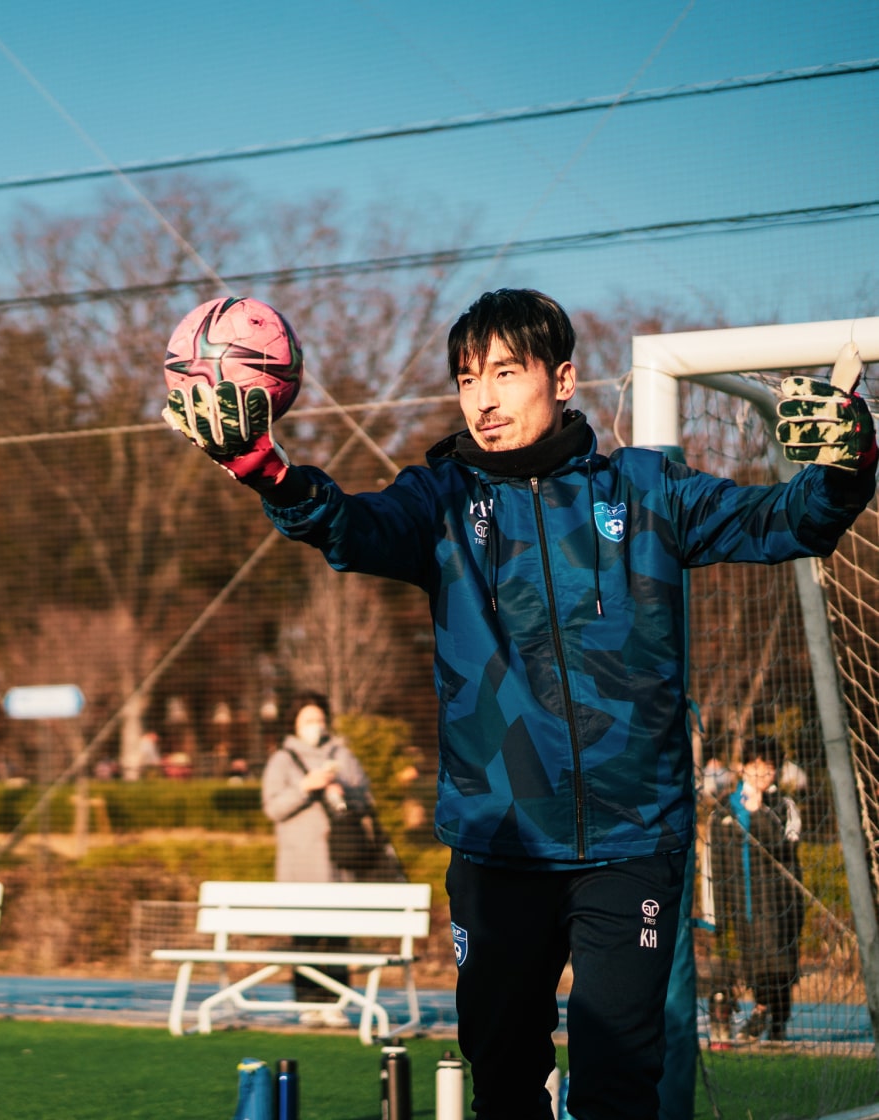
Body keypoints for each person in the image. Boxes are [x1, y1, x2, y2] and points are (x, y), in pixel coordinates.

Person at [163, 287, 876, 1119]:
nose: (485, 398)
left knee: (617, 1085)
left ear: (563, 377)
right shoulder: (437, 504)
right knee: (504, 1084)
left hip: (630, 844)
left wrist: (846, 467)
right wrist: (267, 471)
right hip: (499, 848)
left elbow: (787, 521)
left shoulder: (648, 491)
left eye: (506, 371)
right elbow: (346, 528)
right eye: (468, 378)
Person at [261, 692, 373, 1027]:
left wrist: (342, 791)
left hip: (339, 865)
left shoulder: (343, 755)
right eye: (308, 719)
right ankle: (308, 1002)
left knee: (339, 937)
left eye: (320, 719)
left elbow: (365, 799)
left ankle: (336, 1003)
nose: (315, 726)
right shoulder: (281, 760)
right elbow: (273, 808)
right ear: (295, 722)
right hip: (299, 868)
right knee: (305, 938)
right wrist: (306, 788)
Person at [709, 737, 806, 1043]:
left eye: (769, 769)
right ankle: (761, 1012)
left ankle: (772, 1018)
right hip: (744, 904)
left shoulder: (784, 805)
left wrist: (759, 812)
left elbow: (784, 845)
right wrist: (719, 912)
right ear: (742, 768)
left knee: (779, 965)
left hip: (780, 904)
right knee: (755, 967)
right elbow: (717, 864)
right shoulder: (725, 809)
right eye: (755, 767)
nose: (762, 775)